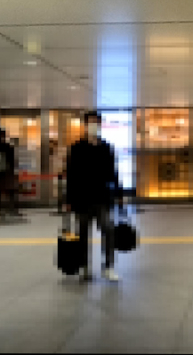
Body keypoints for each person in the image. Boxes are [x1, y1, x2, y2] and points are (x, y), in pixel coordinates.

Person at [65, 111, 121, 282]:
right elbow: (71, 175)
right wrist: (69, 200)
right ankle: (84, 266)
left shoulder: (106, 148)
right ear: (85, 125)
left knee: (108, 229)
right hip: (82, 198)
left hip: (102, 197)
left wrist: (118, 193)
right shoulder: (77, 148)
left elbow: (113, 172)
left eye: (96, 122)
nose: (94, 125)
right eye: (91, 122)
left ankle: (108, 266)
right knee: (83, 232)